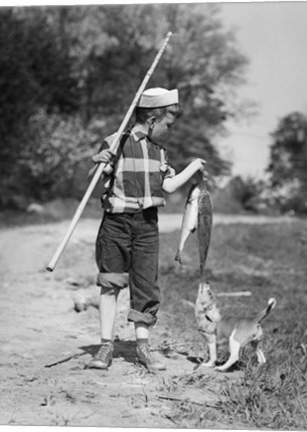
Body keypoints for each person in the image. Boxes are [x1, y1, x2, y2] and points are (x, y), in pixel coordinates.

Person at [87, 87, 206, 372]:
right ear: (152, 119)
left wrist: (194, 167)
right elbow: (94, 185)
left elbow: (167, 186)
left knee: (145, 285)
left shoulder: (159, 152)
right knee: (110, 282)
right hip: (115, 224)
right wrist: (99, 163)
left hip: (147, 226)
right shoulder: (116, 142)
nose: (171, 131)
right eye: (169, 125)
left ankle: (142, 347)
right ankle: (105, 346)